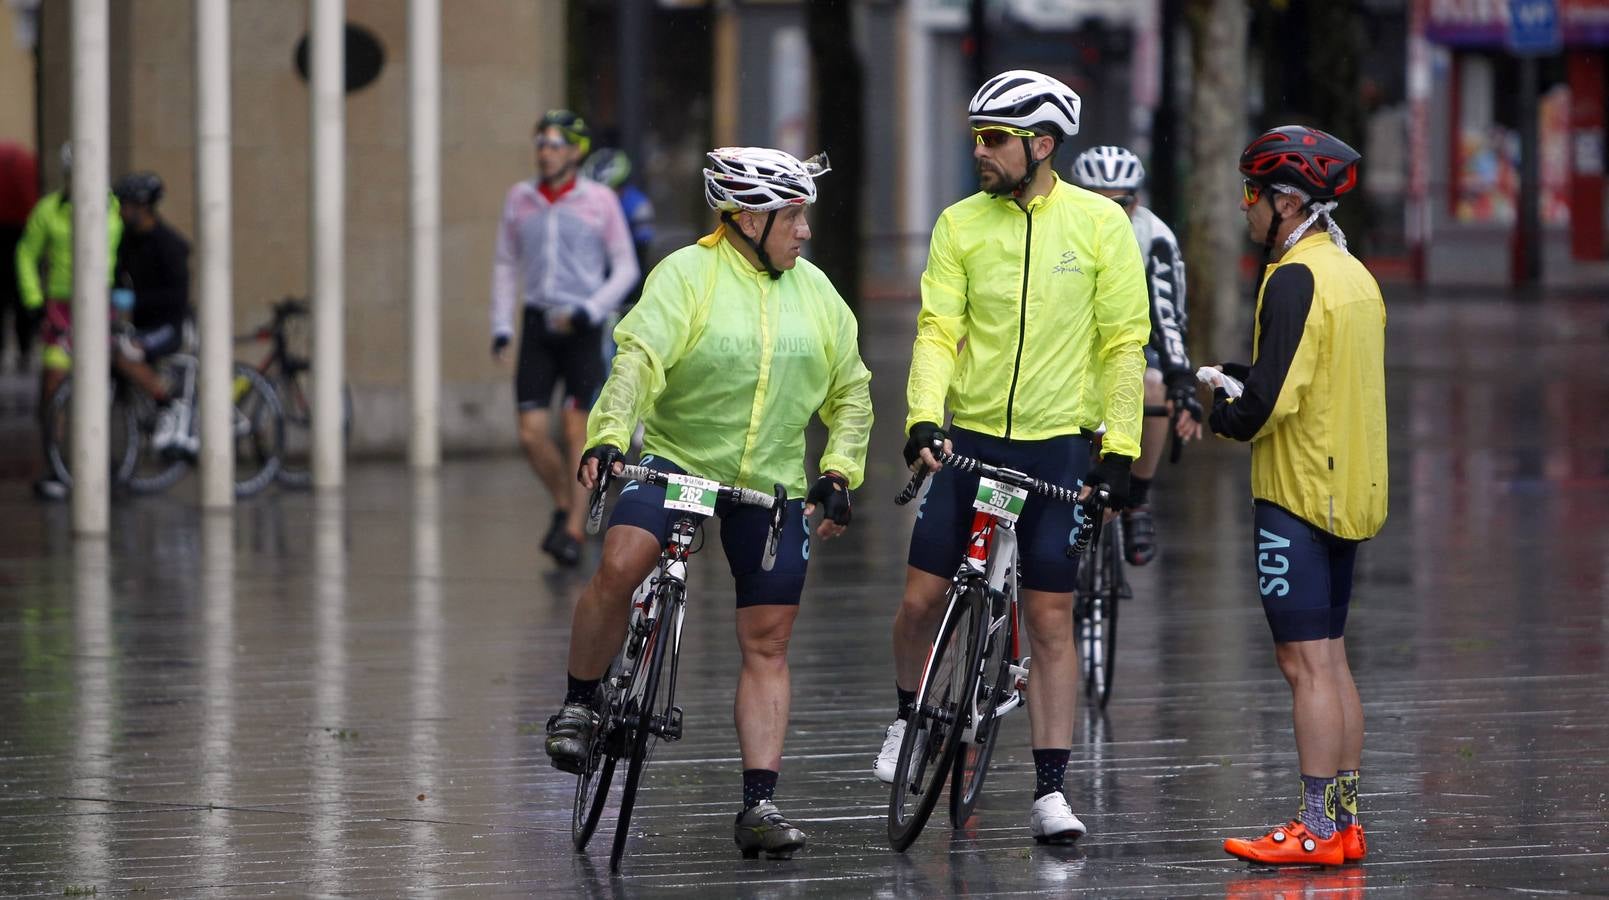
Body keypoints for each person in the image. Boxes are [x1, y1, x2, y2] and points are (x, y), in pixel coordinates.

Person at [545, 147, 872, 860]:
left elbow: (851, 392)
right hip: (676, 460)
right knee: (622, 560)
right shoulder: (687, 275)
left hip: (771, 479)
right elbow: (637, 358)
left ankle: (758, 805)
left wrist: (840, 471)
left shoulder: (816, 293)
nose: (805, 231)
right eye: (793, 216)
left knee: (769, 640)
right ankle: (579, 700)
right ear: (747, 217)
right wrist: (605, 437)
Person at [875, 70, 1150, 844]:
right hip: (971, 442)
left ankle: (1050, 792)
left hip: (1059, 445)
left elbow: (1123, 343)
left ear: (1041, 145)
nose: (979, 151)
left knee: (1049, 618)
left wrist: (1118, 454)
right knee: (920, 602)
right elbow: (937, 331)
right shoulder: (959, 224)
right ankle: (907, 718)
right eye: (975, 137)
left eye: (993, 139)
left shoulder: (1100, 225)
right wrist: (923, 418)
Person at [1212, 125, 1385, 866]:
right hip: (1349, 489)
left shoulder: (1291, 278)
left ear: (1286, 202)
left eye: (1251, 194)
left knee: (1302, 664)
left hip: (1295, 495)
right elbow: (1309, 372)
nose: (1245, 208)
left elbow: (1267, 403)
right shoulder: (1352, 273)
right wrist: (1240, 374)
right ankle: (1343, 822)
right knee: (1332, 659)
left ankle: (1313, 828)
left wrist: (1218, 412)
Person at [490, 110, 639, 566]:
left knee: (577, 428)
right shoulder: (520, 199)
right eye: (540, 143)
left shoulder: (599, 201)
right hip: (539, 324)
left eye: (555, 144)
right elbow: (505, 263)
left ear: (576, 151)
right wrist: (502, 325)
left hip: (581, 325)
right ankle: (562, 501)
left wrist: (591, 309)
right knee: (531, 433)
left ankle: (573, 530)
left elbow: (626, 266)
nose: (545, 152)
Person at [1070, 145, 1204, 565]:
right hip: (1072, 338)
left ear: (1137, 201)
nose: (1111, 212)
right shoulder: (1060, 227)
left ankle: (1139, 500)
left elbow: (1167, 316)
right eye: (1098, 201)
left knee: (1153, 384)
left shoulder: (1155, 236)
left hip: (1134, 338)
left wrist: (1180, 379)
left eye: (1122, 203)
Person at [15, 143, 122, 500]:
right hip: (61, 306)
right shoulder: (49, 210)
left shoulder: (114, 206)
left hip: (101, 303)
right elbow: (26, 254)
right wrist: (32, 300)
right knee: (54, 385)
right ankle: (56, 462)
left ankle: (102, 456)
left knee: (104, 385)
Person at [111, 171, 193, 455]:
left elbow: (176, 297)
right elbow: (117, 274)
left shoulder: (168, 244)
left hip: (167, 325)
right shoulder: (129, 239)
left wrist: (135, 301)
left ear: (142, 207)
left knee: (126, 356)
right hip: (143, 323)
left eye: (125, 205)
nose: (121, 211)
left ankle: (168, 402)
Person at [579, 147, 655, 312]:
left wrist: (634, 299)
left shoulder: (636, 204)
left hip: (627, 286)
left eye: (609, 191)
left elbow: (641, 253)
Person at [0, 142, 39, 372]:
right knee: (21, 301)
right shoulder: (23, 163)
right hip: (21, 232)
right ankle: (25, 350)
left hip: (12, 234)